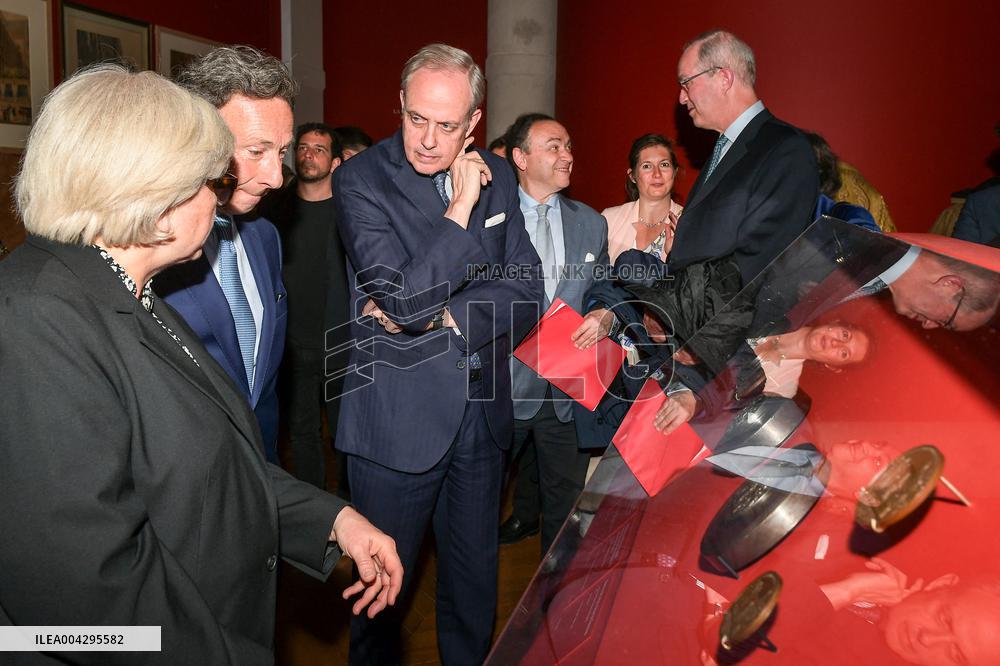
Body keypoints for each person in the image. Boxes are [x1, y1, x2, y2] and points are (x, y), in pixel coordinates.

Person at [0, 65, 401, 664]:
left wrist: (332, 517)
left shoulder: (128, 289)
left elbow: (211, 459)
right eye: (210, 179)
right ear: (153, 197)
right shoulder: (34, 316)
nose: (224, 195)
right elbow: (82, 602)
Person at [332, 43, 544, 665]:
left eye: (447, 126)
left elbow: (528, 286)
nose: (427, 139)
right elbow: (400, 301)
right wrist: (459, 208)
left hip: (481, 415)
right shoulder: (360, 180)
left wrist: (450, 316)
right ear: (398, 104)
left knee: (473, 589)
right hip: (395, 420)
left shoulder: (500, 173)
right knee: (380, 599)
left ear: (474, 122)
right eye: (416, 118)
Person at [154, 46, 294, 463]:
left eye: (282, 152)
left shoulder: (266, 237)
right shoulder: (149, 248)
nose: (275, 177)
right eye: (255, 152)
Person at [499, 113, 616, 553]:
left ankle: (556, 608)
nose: (567, 155)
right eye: (554, 146)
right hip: (502, 389)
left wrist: (606, 312)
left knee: (565, 510)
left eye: (568, 146)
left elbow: (603, 284)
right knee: (480, 501)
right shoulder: (491, 218)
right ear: (521, 157)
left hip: (567, 392)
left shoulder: (591, 222)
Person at [670, 29, 818, 284]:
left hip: (740, 322)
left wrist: (674, 306)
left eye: (687, 83)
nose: (682, 98)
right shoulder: (724, 148)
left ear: (724, 78)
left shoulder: (786, 150)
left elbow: (756, 265)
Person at [260, 122, 347, 489]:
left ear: (337, 163)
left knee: (345, 435)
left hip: (343, 340)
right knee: (302, 433)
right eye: (304, 147)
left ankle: (351, 503)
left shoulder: (351, 214)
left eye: (320, 149)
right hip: (292, 345)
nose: (309, 154)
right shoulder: (274, 210)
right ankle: (320, 515)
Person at [601, 133, 685, 263]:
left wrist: (679, 255)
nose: (657, 174)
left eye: (664, 165)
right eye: (647, 166)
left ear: (675, 172)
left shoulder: (689, 223)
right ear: (632, 176)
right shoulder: (608, 220)